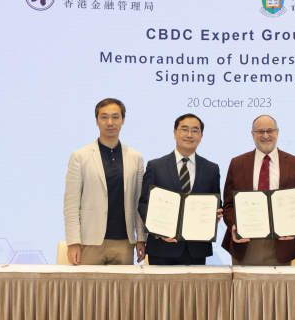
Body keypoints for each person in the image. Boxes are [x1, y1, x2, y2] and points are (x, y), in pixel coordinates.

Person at [64, 98, 145, 265]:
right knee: (88, 292)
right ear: (96, 121)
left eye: (115, 117)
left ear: (123, 120)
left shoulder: (135, 158)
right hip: (90, 242)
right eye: (104, 117)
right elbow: (71, 204)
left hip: (124, 242)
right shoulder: (80, 156)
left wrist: (141, 238)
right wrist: (72, 242)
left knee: (122, 292)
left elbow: (139, 202)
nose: (110, 122)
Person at [221, 115, 295, 266]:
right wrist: (233, 225)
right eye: (260, 131)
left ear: (277, 132)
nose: (265, 136)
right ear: (252, 134)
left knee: (279, 290)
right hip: (246, 244)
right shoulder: (237, 163)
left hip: (282, 244)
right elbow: (228, 205)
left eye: (270, 131)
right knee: (244, 290)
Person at [138, 114, 222, 265]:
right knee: (160, 290)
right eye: (184, 129)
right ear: (175, 133)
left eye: (195, 131)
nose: (189, 135)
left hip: (196, 249)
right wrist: (158, 231)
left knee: (194, 290)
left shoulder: (212, 169)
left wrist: (216, 212)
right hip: (162, 248)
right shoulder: (155, 166)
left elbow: (216, 203)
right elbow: (144, 203)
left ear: (201, 136)